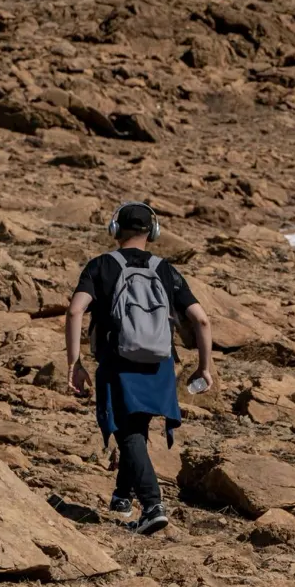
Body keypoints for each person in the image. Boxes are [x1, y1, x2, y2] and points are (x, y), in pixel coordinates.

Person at [65, 202, 213, 535]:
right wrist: (205, 367)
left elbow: (75, 312)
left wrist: (74, 362)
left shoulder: (101, 265)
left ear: (115, 229)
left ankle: (152, 505)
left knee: (128, 431)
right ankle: (121, 496)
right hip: (159, 364)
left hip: (118, 361)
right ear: (153, 232)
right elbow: (202, 320)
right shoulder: (166, 269)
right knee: (137, 428)